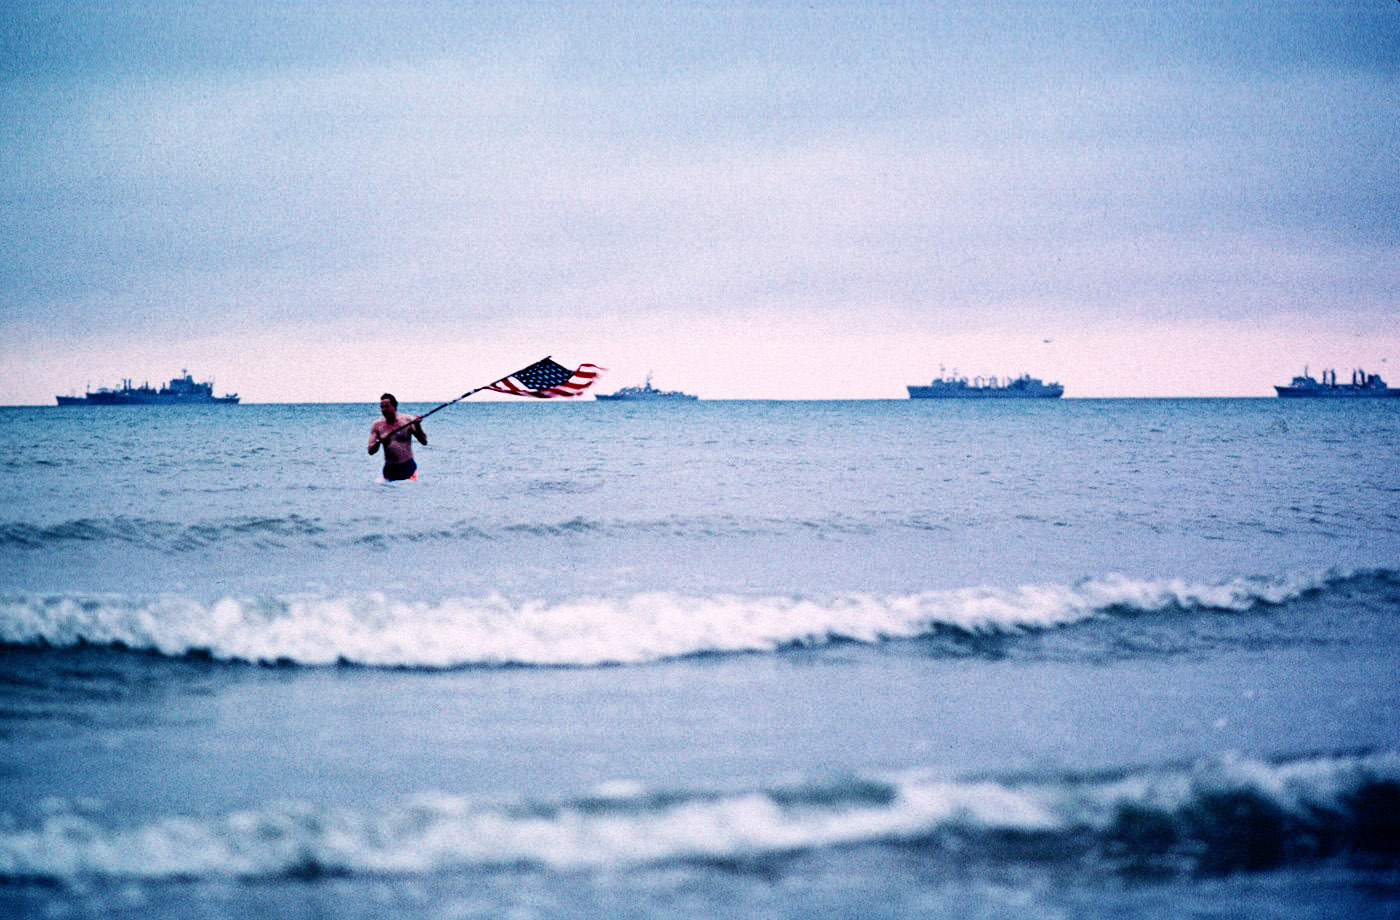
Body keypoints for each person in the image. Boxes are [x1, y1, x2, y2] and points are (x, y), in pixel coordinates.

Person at [368, 393, 426, 481]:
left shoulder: (408, 420)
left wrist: (417, 426)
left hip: (408, 468)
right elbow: (370, 451)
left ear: (394, 407)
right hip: (389, 470)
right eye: (382, 407)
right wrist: (379, 442)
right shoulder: (377, 425)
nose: (384, 410)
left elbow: (424, 441)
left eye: (387, 406)